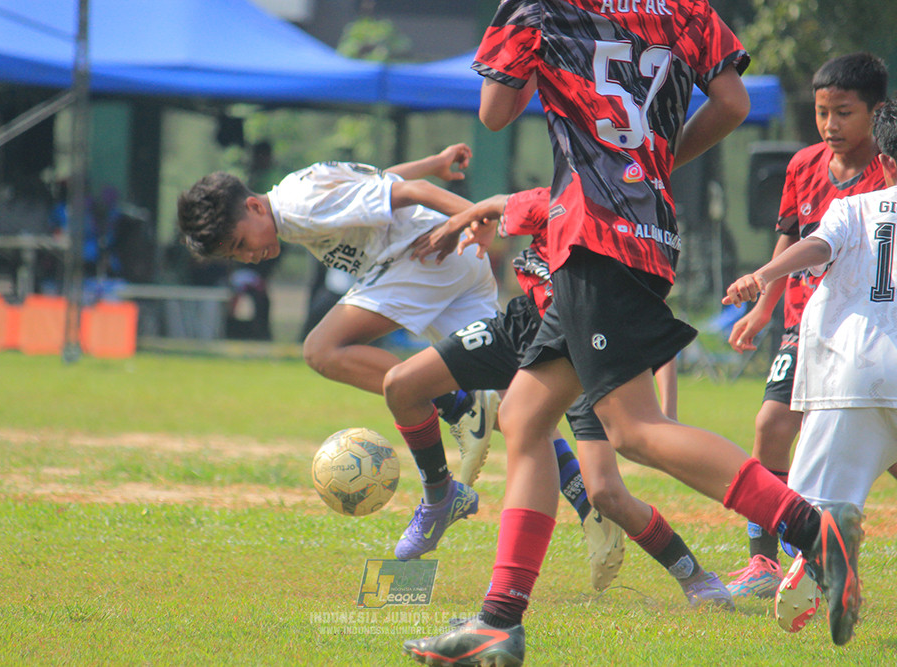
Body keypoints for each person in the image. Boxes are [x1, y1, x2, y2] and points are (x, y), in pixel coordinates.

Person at [402, 3, 862, 663]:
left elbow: (494, 113)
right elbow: (731, 102)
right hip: (642, 228)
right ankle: (499, 621)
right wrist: (654, 158)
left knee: (636, 430)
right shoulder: (683, 9)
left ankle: (814, 532)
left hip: (592, 231)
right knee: (526, 416)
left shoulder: (543, 8)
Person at [386, 187, 734, 608]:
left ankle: (694, 576)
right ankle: (441, 496)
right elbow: (498, 202)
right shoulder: (558, 196)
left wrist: (668, 410)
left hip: (584, 352)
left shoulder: (626, 224)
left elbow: (649, 324)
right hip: (522, 327)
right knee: (401, 384)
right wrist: (462, 225)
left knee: (606, 493)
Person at [177, 143, 502, 507]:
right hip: (450, 261)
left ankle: (457, 403)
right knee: (512, 403)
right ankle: (578, 490)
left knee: (321, 349)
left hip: (425, 255)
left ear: (253, 206)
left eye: (240, 243)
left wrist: (478, 219)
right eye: (235, 255)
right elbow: (384, 183)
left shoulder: (300, 208)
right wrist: (434, 163)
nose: (248, 257)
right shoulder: (294, 191)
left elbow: (414, 192)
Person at [724, 95, 897, 644]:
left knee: (812, 509)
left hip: (853, 374)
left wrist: (761, 275)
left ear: (885, 159)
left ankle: (818, 563)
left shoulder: (855, 207)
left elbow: (816, 245)